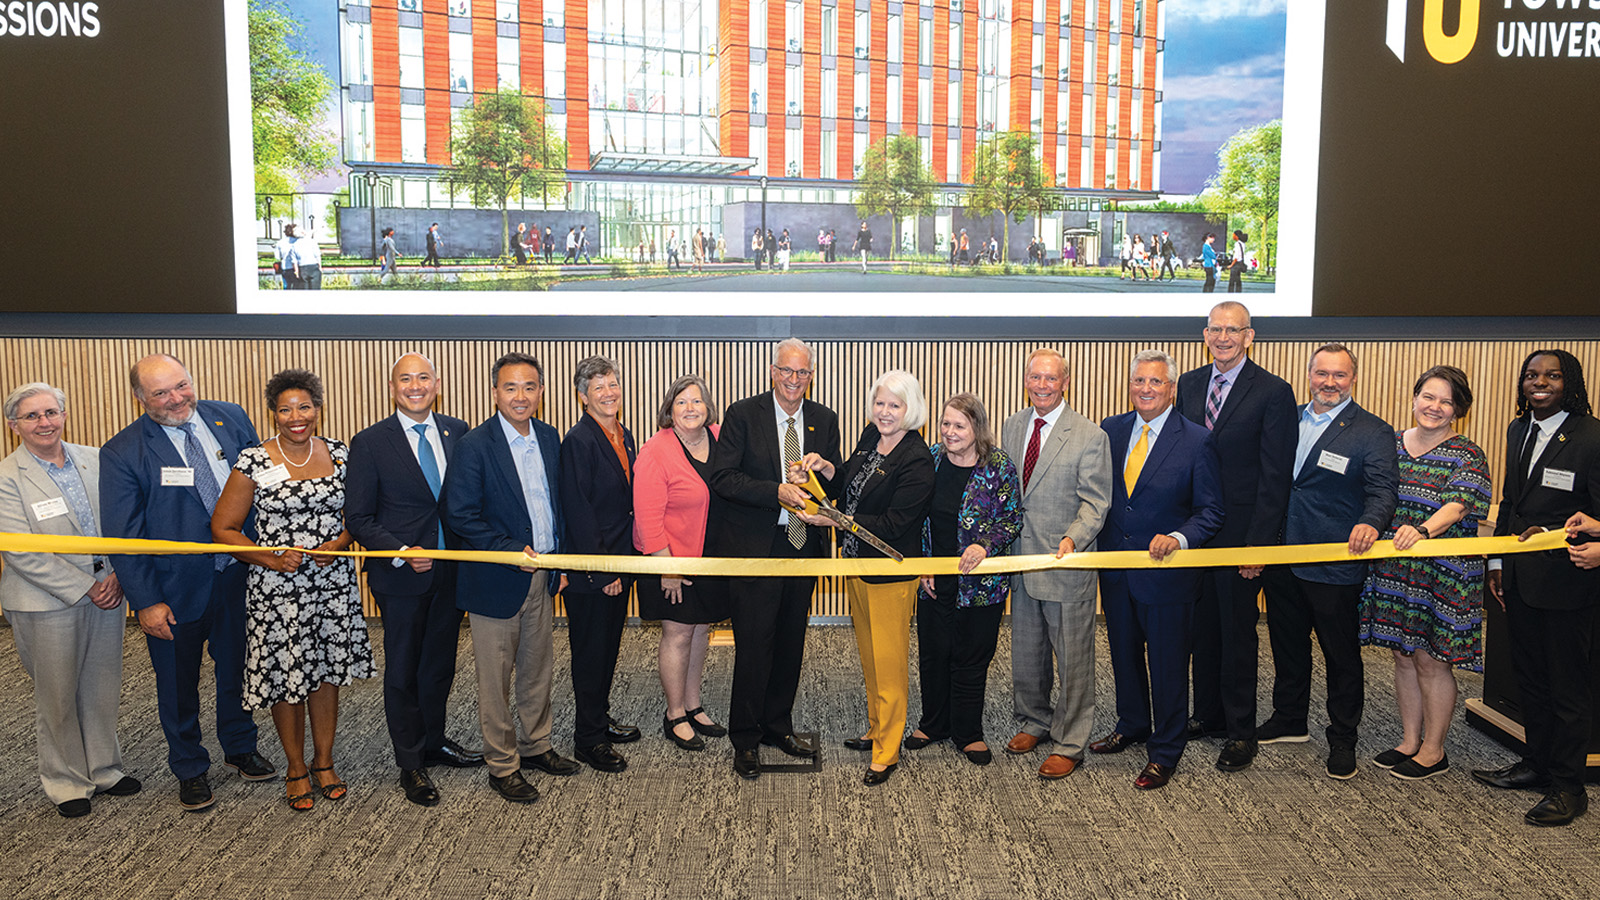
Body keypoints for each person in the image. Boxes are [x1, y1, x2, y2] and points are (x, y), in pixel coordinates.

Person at [100, 354, 277, 811]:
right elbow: (124, 536)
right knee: (178, 684)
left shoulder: (230, 416)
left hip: (238, 575)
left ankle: (240, 747)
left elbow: (264, 484)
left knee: (238, 668)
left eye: (181, 385)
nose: (176, 398)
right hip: (173, 590)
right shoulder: (123, 452)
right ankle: (190, 767)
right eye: (161, 392)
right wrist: (147, 602)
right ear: (140, 398)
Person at [210, 369, 375, 811]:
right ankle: (296, 767)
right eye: (285, 409)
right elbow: (223, 528)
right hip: (277, 589)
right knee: (287, 677)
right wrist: (269, 557)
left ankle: (324, 762)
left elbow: (359, 514)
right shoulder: (253, 461)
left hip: (331, 584)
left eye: (305, 407)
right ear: (274, 414)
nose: (296, 417)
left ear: (319, 410)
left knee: (324, 672)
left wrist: (339, 544)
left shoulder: (341, 454)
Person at [344, 352, 484, 808]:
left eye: (423, 377)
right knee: (403, 669)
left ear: (437, 384)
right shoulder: (370, 441)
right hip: (401, 576)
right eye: (406, 379)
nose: (415, 385)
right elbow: (359, 516)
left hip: (452, 569)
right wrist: (402, 552)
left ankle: (434, 742)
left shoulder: (458, 431)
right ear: (392, 387)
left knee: (439, 664)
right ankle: (410, 762)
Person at [441, 352, 579, 804]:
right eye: (510, 388)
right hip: (495, 581)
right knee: (494, 679)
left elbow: (554, 506)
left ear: (541, 391)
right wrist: (506, 552)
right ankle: (502, 764)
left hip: (541, 576)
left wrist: (556, 563)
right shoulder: (474, 445)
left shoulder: (548, 436)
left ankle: (537, 745)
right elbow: (458, 514)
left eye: (529, 387)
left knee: (538, 669)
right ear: (495, 392)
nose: (520, 396)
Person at [1259, 343, 1398, 779]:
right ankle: (1290, 718)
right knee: (1287, 643)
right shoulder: (1288, 419)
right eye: (1322, 374)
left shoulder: (1372, 431)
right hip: (1283, 554)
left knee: (1341, 654)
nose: (1330, 383)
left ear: (1352, 379)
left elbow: (1383, 492)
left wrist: (1372, 524)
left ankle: (1343, 737)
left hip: (1336, 559)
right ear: (1309, 375)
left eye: (1339, 375)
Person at [1474, 350, 1600, 826]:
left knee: (1567, 688)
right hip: (1521, 579)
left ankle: (1569, 788)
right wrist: (1499, 560)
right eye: (1531, 375)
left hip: (1571, 581)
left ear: (1571, 383)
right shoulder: (1517, 428)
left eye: (1551, 375)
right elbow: (1512, 503)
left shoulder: (1592, 437)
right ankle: (1538, 765)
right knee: (1530, 680)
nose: (1539, 382)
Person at [1, 383, 138, 818]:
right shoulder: (6, 477)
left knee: (101, 686)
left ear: (63, 414)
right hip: (44, 600)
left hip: (108, 589)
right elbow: (20, 550)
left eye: (50, 413)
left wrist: (116, 573)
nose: (44, 423)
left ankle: (104, 769)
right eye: (32, 416)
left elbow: (123, 521)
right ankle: (66, 782)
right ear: (13, 425)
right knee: (57, 694)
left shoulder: (95, 459)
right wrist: (83, 586)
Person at [1090, 351, 1224, 791]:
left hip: (1167, 574)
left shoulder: (1197, 439)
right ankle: (1132, 724)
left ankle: (1166, 749)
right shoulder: (1110, 430)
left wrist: (1180, 538)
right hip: (1116, 571)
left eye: (1156, 383)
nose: (1146, 390)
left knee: (1167, 666)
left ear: (1171, 388)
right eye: (1139, 382)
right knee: (1124, 656)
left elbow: (1210, 511)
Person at [792, 370, 934, 785]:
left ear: (911, 410)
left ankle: (887, 750)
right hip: (857, 566)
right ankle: (876, 728)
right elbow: (849, 482)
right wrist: (823, 469)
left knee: (889, 665)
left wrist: (829, 521)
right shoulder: (872, 437)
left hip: (889, 574)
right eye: (880, 403)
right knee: (870, 660)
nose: (885, 412)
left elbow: (891, 524)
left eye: (895, 405)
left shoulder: (917, 459)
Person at [709, 338, 842, 780]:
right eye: (787, 371)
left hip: (803, 548)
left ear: (811, 375)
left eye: (802, 373)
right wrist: (776, 492)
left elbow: (837, 481)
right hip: (756, 549)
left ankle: (777, 727)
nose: (794, 380)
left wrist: (825, 471)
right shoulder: (743, 414)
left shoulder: (825, 420)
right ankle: (745, 738)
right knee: (754, 647)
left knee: (790, 643)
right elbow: (723, 478)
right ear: (772, 370)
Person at [1176, 301, 1296, 773]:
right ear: (1205, 335)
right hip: (1192, 535)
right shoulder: (1186, 384)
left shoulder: (1273, 392)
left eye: (1234, 330)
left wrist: (1259, 546)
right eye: (1215, 329)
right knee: (1199, 629)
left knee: (1237, 634)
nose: (1223, 337)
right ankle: (1207, 716)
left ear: (1250, 336)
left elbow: (1275, 476)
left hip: (1241, 536)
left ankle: (1241, 731)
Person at [1358, 365, 1490, 781]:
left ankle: (1434, 750)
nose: (1434, 407)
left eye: (1446, 402)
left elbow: (1460, 504)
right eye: (1428, 397)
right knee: (1402, 656)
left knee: (1433, 662)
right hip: (1394, 569)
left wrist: (1422, 530)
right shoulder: (1390, 443)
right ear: (1414, 398)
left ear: (1458, 410)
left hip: (1441, 572)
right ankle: (1409, 741)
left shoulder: (1469, 454)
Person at [1001, 348, 1112, 779]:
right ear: (1026, 379)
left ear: (1065, 381)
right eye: (1035, 377)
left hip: (1066, 563)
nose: (1042, 385)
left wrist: (1073, 539)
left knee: (1074, 658)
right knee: (1027, 653)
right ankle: (1036, 720)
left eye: (1051, 378)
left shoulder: (1089, 435)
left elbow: (1096, 502)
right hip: (1022, 562)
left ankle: (1070, 741)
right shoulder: (1012, 426)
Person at [906, 393, 1022, 767]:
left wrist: (985, 545)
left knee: (971, 658)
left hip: (981, 584)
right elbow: (917, 515)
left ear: (977, 428)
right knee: (934, 654)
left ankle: (968, 732)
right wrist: (923, 564)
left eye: (959, 425)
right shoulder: (931, 458)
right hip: (934, 578)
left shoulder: (999, 465)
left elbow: (1012, 518)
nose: (950, 432)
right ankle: (933, 724)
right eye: (946, 424)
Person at [634, 375, 730, 752]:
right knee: (677, 634)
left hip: (709, 560)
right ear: (669, 410)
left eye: (697, 402)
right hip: (671, 561)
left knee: (700, 631)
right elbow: (647, 516)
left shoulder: (721, 438)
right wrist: (667, 567)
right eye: (682, 402)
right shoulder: (656, 450)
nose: (690, 409)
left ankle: (693, 704)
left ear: (708, 408)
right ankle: (674, 713)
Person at [559, 356, 642, 774]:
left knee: (608, 648)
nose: (609, 393)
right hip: (594, 573)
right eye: (598, 388)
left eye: (613, 385)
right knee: (591, 654)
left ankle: (599, 719)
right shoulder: (579, 441)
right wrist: (603, 570)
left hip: (619, 562)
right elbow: (579, 512)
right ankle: (587, 739)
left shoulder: (622, 435)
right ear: (582, 398)